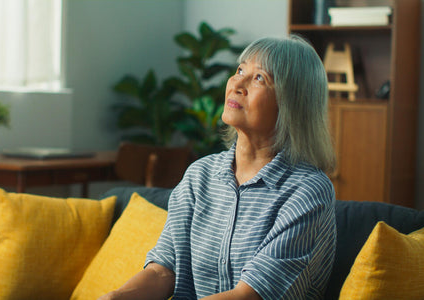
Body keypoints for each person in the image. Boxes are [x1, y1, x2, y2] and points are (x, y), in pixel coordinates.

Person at [100, 35, 337, 300]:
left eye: (259, 78)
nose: (237, 83)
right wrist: (115, 297)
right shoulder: (199, 175)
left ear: (293, 103)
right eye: (240, 70)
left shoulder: (308, 191)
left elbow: (250, 296)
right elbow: (164, 270)